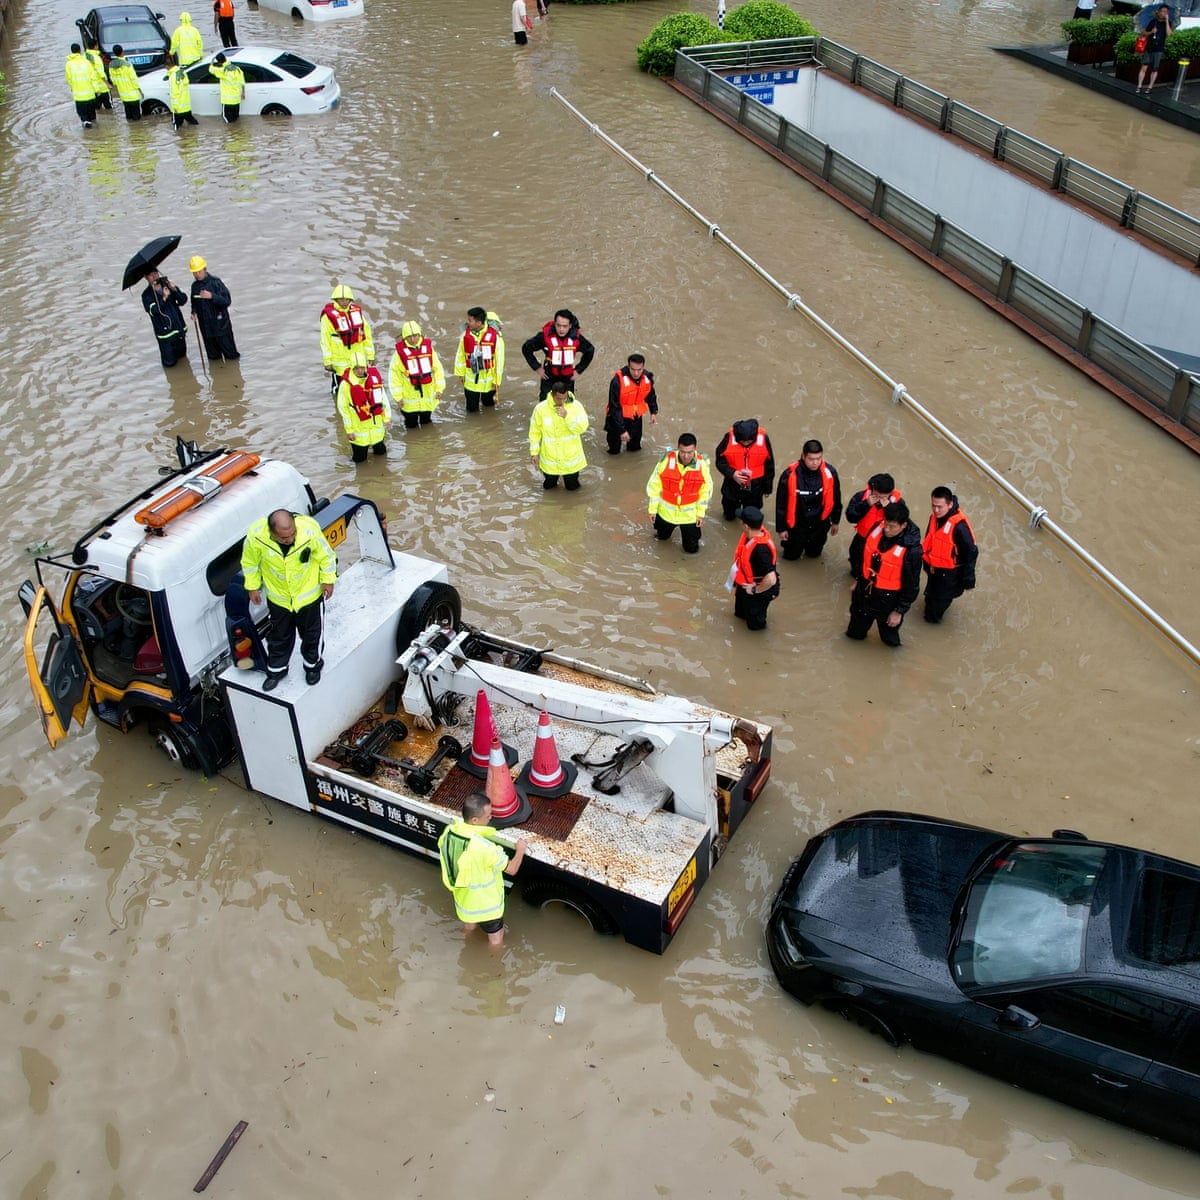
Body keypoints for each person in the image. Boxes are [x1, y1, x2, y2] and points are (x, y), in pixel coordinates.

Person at [241, 508, 337, 690]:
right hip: (280, 599)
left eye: (293, 534)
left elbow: (326, 556)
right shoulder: (256, 537)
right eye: (285, 538)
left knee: (312, 634)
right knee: (279, 636)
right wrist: (252, 586)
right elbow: (250, 563)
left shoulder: (309, 530)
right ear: (271, 533)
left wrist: (328, 580)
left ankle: (312, 665)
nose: (291, 539)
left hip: (309, 596)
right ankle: (277, 670)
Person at [437, 792, 528, 947]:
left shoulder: (449, 832)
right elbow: (512, 869)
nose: (491, 818)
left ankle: (468, 946)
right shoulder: (485, 848)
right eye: (488, 816)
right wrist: (520, 850)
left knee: (469, 927)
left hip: (464, 902)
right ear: (474, 820)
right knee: (496, 938)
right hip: (487, 907)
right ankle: (493, 965)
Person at [846, 500, 922, 647]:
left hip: (888, 601)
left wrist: (898, 611)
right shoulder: (876, 528)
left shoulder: (912, 552)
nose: (886, 529)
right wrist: (857, 581)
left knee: (889, 640)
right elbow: (864, 559)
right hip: (864, 592)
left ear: (903, 525)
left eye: (892, 526)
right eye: (885, 524)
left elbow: (912, 585)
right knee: (854, 633)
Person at [775, 439, 842, 561]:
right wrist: (781, 528)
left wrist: (836, 521)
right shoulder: (789, 475)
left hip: (819, 525)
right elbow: (781, 504)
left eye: (819, 458)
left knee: (814, 554)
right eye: (811, 459)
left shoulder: (830, 473)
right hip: (797, 525)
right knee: (791, 556)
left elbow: (836, 498)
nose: (815, 463)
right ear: (803, 456)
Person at [646, 433, 712, 553]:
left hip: (690, 517)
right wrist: (652, 510)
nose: (686, 456)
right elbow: (654, 486)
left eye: (690, 452)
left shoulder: (702, 465)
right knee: (661, 538)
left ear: (695, 449)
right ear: (678, 448)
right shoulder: (665, 461)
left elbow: (705, 492)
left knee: (691, 550)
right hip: (666, 514)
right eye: (682, 452)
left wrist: (700, 514)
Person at [921, 486, 978, 623]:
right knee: (929, 598)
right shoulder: (934, 517)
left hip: (949, 575)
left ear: (950, 504)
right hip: (934, 568)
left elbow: (972, 552)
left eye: (940, 507)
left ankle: (933, 623)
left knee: (935, 610)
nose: (936, 510)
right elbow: (930, 538)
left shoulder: (959, 527)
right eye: (933, 506)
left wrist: (968, 579)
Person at [522, 309, 595, 400]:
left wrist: (578, 370)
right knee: (544, 404)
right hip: (548, 377)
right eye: (558, 325)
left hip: (568, 379)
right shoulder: (544, 337)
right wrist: (537, 367)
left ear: (570, 326)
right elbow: (526, 348)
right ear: (554, 323)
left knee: (568, 405)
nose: (561, 329)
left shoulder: (577, 338)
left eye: (565, 326)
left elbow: (590, 350)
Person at [529, 379, 588, 490]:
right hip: (550, 460)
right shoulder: (540, 409)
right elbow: (534, 432)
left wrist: (567, 417)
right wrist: (534, 453)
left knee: (573, 489)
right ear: (552, 395)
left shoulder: (576, 407)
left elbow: (582, 428)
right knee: (549, 488)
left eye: (564, 398)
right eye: (558, 398)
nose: (562, 401)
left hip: (571, 460)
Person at [729, 506, 779, 631]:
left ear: (745, 525)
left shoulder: (761, 550)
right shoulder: (751, 534)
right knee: (739, 615)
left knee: (755, 626)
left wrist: (755, 590)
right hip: (744, 584)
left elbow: (771, 578)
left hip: (757, 591)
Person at [336, 350, 391, 463]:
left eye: (362, 367)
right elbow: (343, 408)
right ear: (352, 368)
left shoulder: (374, 380)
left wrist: (387, 418)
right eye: (356, 368)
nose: (360, 371)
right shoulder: (345, 385)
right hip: (359, 430)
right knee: (359, 460)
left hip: (376, 428)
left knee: (382, 455)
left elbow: (383, 400)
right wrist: (349, 430)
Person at [714, 419, 775, 521]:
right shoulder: (728, 438)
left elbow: (769, 465)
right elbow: (720, 462)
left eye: (749, 441)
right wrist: (732, 473)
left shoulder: (763, 439)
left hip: (755, 487)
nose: (746, 443)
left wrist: (768, 488)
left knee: (752, 517)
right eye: (743, 441)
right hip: (732, 485)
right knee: (729, 514)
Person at [389, 320, 445, 428]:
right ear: (404, 337)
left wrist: (439, 389)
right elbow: (394, 376)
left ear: (419, 334)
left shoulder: (428, 349)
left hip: (427, 395)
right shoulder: (398, 354)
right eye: (409, 337)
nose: (413, 339)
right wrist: (398, 397)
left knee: (427, 423)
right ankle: (413, 443)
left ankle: (427, 443)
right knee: (411, 425)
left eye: (415, 336)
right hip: (409, 397)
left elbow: (438, 369)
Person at [845, 472, 901, 577]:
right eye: (876, 496)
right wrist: (865, 505)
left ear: (890, 493)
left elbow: (902, 524)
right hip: (861, 539)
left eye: (883, 497)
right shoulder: (861, 497)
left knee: (875, 572)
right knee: (856, 565)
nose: (879, 500)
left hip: (882, 544)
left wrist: (889, 509)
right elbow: (850, 517)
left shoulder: (898, 503)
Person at [321, 285, 375, 392]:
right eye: (341, 299)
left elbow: (366, 334)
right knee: (340, 388)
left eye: (346, 299)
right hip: (339, 361)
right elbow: (325, 339)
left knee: (359, 388)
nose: (344, 302)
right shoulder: (328, 317)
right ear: (336, 299)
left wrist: (370, 355)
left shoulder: (356, 313)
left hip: (357, 360)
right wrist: (327, 361)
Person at [453, 307, 505, 412]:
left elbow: (499, 360)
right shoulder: (465, 336)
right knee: (471, 409)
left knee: (488, 405)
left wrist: (497, 380)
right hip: (471, 380)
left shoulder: (496, 337)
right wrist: (460, 374)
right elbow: (460, 355)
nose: (468, 323)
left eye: (470, 320)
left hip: (489, 380)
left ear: (479, 322)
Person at [189, 256, 240, 361]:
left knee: (231, 356)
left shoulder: (216, 283)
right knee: (213, 358)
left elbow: (226, 301)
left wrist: (212, 296)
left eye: (199, 271)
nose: (197, 275)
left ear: (205, 269)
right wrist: (194, 312)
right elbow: (194, 302)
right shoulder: (194, 286)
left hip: (221, 327)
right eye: (194, 272)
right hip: (206, 330)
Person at [605, 354, 658, 454]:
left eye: (639, 369)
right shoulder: (617, 381)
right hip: (617, 418)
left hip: (635, 417)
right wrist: (621, 430)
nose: (636, 373)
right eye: (633, 369)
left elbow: (651, 395)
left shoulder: (647, 378)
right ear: (628, 366)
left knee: (635, 448)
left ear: (643, 367)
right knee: (614, 450)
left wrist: (653, 412)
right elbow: (614, 406)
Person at [141, 268, 188, 367]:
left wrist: (174, 289)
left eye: (155, 273)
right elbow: (154, 311)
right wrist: (164, 298)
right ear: (146, 277)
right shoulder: (146, 295)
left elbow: (183, 300)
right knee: (170, 364)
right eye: (150, 275)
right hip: (165, 336)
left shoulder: (167, 285)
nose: (154, 277)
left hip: (179, 330)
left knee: (183, 360)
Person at [1137, 5, 1175, 92]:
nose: (1163, 13)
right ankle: (1139, 85)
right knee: (1144, 67)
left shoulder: (1168, 23)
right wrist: (1151, 32)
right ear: (1158, 12)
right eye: (1162, 11)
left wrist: (1166, 21)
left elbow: (1169, 34)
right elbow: (1144, 33)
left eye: (1165, 12)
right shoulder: (1153, 22)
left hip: (1159, 49)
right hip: (1149, 47)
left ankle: (1150, 87)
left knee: (1155, 68)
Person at [65, 44, 98, 128]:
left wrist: (73, 88)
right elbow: (93, 77)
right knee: (93, 116)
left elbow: (69, 79)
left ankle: (87, 130)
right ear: (80, 51)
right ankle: (96, 131)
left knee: (84, 118)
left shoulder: (69, 64)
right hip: (90, 95)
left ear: (71, 52)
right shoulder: (87, 62)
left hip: (79, 96)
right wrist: (97, 90)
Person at [108, 46, 143, 121]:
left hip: (123, 96)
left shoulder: (111, 66)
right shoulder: (127, 64)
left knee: (129, 118)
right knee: (137, 119)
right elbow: (134, 79)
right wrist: (140, 91)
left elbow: (113, 81)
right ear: (122, 52)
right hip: (133, 96)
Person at [166, 53, 199, 130]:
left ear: (167, 66)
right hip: (186, 105)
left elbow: (174, 93)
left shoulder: (173, 77)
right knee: (192, 121)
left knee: (176, 127)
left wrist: (175, 107)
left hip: (178, 107)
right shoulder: (182, 72)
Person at [210, 52, 244, 123]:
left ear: (219, 62)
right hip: (236, 100)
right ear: (225, 58)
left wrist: (212, 61)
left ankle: (230, 133)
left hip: (227, 101)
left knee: (227, 120)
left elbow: (211, 69)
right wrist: (243, 93)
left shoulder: (222, 71)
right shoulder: (237, 69)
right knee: (235, 119)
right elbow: (242, 82)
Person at [83, 43, 113, 111]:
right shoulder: (96, 57)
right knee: (109, 108)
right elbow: (100, 72)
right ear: (95, 46)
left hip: (93, 88)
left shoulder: (84, 56)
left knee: (97, 108)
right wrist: (107, 84)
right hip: (103, 87)